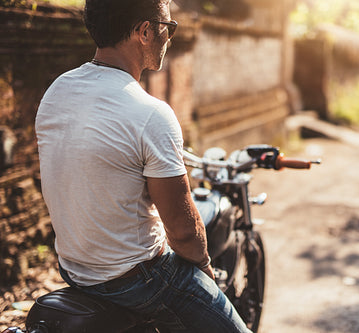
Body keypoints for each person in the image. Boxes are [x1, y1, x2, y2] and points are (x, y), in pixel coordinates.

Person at [35, 0, 251, 332]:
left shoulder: (56, 92)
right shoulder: (150, 113)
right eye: (168, 27)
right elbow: (181, 230)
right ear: (145, 32)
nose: (170, 36)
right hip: (139, 281)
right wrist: (204, 270)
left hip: (75, 269)